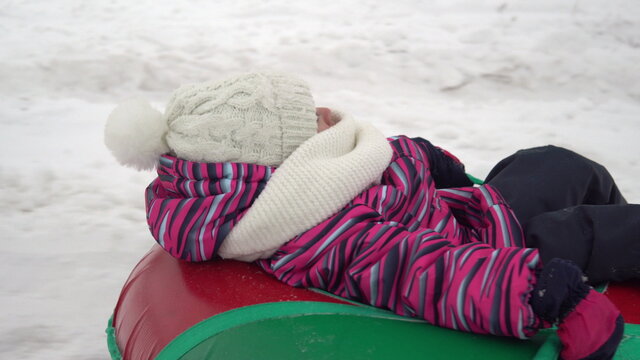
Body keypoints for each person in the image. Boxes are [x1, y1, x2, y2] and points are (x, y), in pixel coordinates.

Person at [104, 72, 627, 360]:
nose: (327, 116)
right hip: (495, 255)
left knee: (552, 163)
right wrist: (541, 290)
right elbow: (425, 273)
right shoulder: (320, 235)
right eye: (309, 122)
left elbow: (370, 163)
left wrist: (422, 157)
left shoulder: (305, 184)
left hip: (464, 213)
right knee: (588, 232)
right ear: (280, 163)